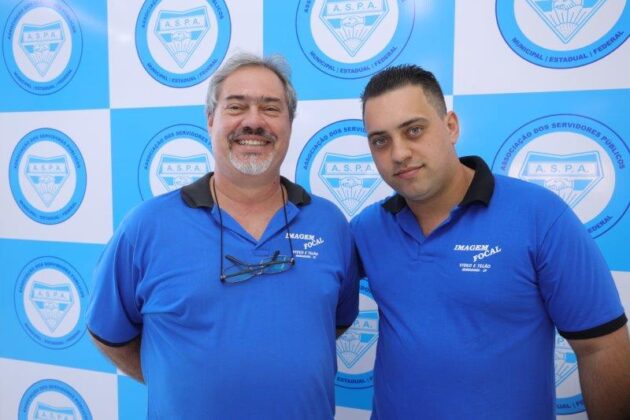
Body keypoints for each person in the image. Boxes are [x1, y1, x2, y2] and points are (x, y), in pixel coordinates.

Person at [87, 53, 359, 419]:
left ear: (290, 123)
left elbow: (332, 323)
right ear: (211, 119)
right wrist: (172, 380)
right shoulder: (146, 226)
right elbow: (108, 333)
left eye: (270, 108)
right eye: (236, 106)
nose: (253, 121)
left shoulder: (330, 223)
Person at [351, 64, 630, 419]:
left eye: (414, 130)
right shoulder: (367, 228)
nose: (399, 153)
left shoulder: (539, 215)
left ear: (451, 126)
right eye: (380, 140)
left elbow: (600, 347)